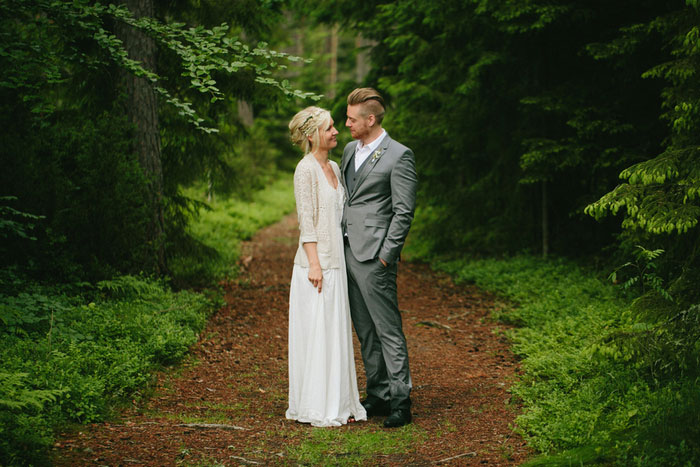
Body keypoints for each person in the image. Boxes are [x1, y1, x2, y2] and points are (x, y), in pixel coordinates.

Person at [286, 106, 367, 427]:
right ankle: (316, 403)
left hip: (337, 261)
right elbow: (306, 221)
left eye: (334, 126)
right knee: (318, 333)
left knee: (335, 332)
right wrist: (314, 265)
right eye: (330, 127)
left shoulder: (333, 165)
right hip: (316, 266)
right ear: (312, 135)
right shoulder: (304, 170)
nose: (336, 131)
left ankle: (339, 399)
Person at [341, 88, 417, 428]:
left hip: (375, 257)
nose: (346, 124)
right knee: (365, 330)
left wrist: (387, 255)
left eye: (352, 119)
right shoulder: (347, 151)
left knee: (387, 330)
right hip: (347, 252)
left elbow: (403, 212)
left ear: (370, 120)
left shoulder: (398, 155)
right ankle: (379, 393)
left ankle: (401, 399)